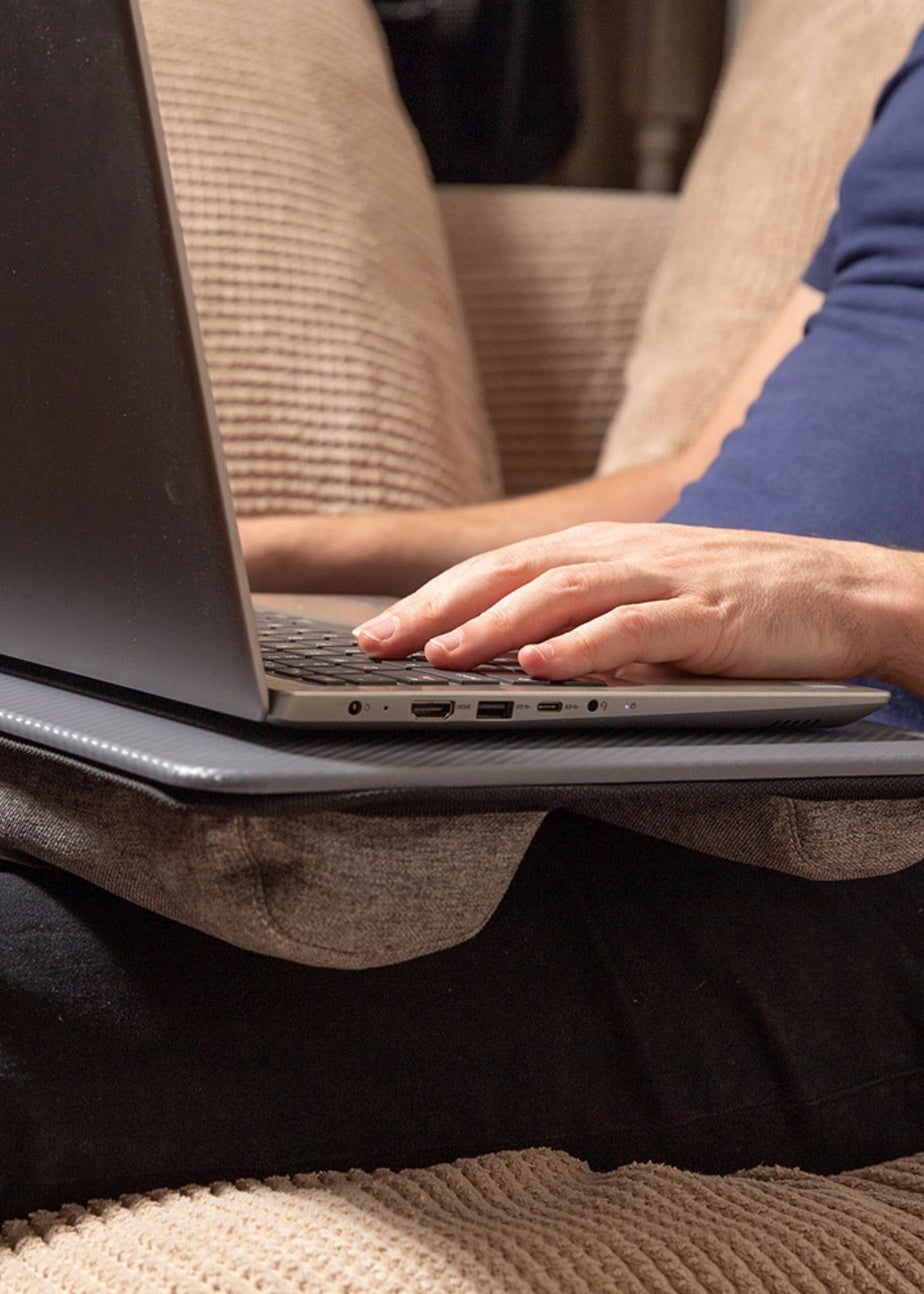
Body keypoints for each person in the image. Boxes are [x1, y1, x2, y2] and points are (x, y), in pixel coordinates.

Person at [1, 25, 923, 1225]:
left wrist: (870, 600)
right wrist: (239, 549)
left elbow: (804, 567)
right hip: (662, 732)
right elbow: (692, 487)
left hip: (867, 861)